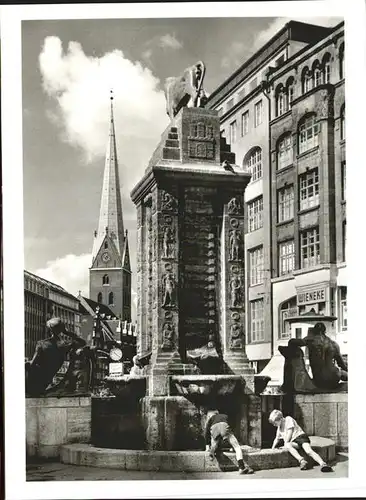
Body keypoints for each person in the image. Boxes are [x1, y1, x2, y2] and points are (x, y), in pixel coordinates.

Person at [204, 410, 254, 475]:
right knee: (237, 447)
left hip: (214, 428)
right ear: (218, 413)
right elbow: (232, 426)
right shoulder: (225, 416)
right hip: (224, 426)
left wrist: (207, 445)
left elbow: (206, 432)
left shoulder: (211, 419)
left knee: (215, 441)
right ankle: (242, 467)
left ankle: (212, 451)